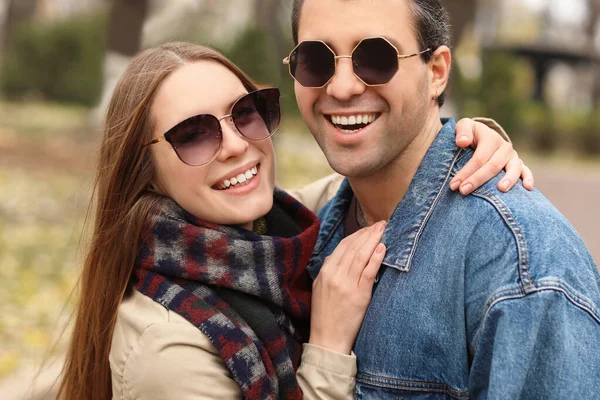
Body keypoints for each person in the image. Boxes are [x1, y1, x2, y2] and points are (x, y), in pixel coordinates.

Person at [56, 42, 531, 399]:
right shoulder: (166, 354)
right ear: (148, 174)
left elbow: (386, 179)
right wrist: (326, 346)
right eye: (195, 135)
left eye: (246, 113)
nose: (238, 145)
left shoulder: (276, 231)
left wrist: (471, 143)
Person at [289, 0, 600, 399]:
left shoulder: (521, 267)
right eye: (316, 59)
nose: (342, 86)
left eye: (376, 57)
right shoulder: (297, 233)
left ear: (436, 72)